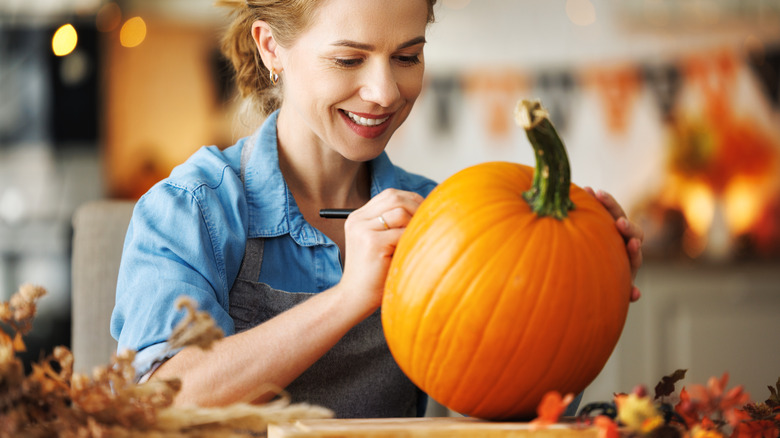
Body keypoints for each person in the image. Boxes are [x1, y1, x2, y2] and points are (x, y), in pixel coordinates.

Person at [110, 0, 644, 419]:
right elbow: (156, 403)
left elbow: (506, 404)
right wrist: (348, 298)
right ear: (271, 46)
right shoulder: (193, 209)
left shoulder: (442, 216)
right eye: (348, 59)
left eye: (407, 57)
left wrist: (581, 289)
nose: (385, 91)